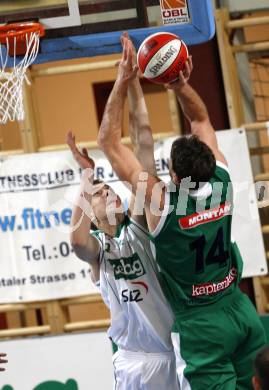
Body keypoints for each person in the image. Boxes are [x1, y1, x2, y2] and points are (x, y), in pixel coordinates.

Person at [97, 34, 266, 389]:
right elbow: (201, 120)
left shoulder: (161, 203)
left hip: (201, 326)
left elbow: (109, 143)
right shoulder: (222, 176)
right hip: (240, 309)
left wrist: (124, 80)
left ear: (173, 176)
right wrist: (180, 84)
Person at [67, 51, 179, 389]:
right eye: (98, 196)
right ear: (92, 213)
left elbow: (143, 145)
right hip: (131, 360)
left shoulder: (139, 225)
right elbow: (75, 241)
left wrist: (133, 84)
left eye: (108, 188)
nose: (109, 193)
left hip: (169, 353)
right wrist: (87, 177)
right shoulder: (98, 252)